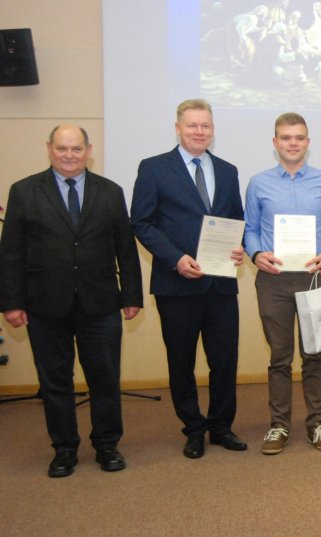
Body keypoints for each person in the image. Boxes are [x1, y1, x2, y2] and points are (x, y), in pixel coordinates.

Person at [0, 125, 143, 477]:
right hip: (45, 305)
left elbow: (125, 250)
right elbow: (11, 253)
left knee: (105, 377)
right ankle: (64, 449)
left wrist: (132, 296)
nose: (69, 155)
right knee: (55, 380)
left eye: (76, 149)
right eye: (62, 148)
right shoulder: (24, 191)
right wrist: (11, 302)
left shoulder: (110, 192)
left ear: (88, 150)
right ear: (49, 149)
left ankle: (107, 446)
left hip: (101, 303)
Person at [131, 99, 247, 458]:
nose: (200, 132)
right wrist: (175, 258)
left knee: (224, 360)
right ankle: (193, 428)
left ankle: (221, 426)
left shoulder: (228, 171)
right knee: (181, 361)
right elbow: (142, 223)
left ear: (213, 130)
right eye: (193, 125)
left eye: (206, 126)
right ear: (178, 128)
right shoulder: (154, 168)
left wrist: (239, 247)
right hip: (176, 284)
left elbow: (234, 220)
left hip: (221, 284)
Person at [243, 113, 321, 455]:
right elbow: (250, 230)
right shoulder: (258, 183)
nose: (293, 143)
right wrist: (256, 253)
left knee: (314, 355)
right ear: (275, 143)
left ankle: (317, 423)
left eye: (299, 137)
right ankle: (279, 426)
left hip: (316, 277)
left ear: (308, 142)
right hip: (273, 281)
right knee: (280, 358)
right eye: (286, 138)